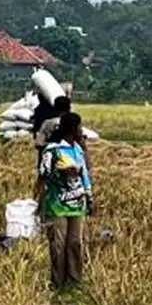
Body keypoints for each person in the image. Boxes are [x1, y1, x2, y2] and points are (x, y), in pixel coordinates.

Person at [37, 112, 93, 289]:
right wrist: (61, 174)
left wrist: (89, 196)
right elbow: (43, 174)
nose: (81, 131)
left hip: (77, 204)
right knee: (59, 244)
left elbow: (84, 174)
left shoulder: (77, 149)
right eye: (79, 128)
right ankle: (58, 282)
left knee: (75, 242)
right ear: (72, 129)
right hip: (57, 204)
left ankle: (74, 280)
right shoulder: (53, 150)